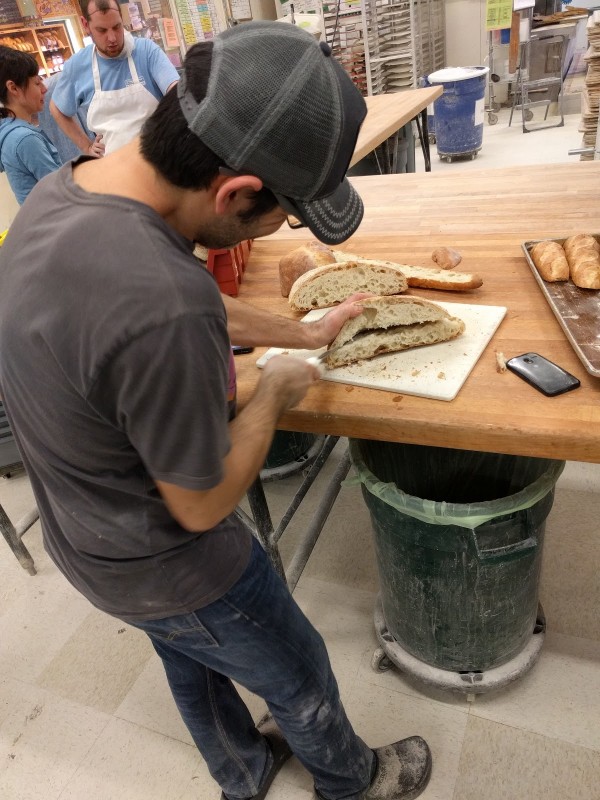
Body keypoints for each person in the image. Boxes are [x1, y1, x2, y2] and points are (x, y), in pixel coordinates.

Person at [0, 22, 432, 800]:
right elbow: (199, 505)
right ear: (234, 192)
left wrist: (305, 332)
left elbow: (178, 301)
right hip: (169, 559)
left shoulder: (74, 190)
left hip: (87, 537)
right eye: (285, 215)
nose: (282, 228)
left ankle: (243, 773)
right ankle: (354, 782)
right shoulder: (160, 297)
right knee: (296, 670)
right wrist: (277, 392)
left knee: (189, 657)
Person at [49, 0, 178, 157]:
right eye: (102, 30)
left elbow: (176, 91)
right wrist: (86, 146)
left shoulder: (146, 51)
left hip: (160, 157)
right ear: (85, 25)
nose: (112, 38)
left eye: (117, 27)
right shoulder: (77, 66)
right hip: (112, 164)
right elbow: (56, 109)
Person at [0, 46, 61, 205]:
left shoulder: (9, 131)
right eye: (37, 83)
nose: (44, 88)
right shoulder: (25, 139)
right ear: (13, 88)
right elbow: (60, 190)